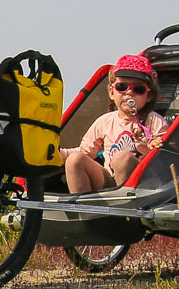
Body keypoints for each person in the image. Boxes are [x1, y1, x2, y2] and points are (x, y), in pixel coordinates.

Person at [66, 54, 168, 193]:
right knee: (74, 160)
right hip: (109, 181)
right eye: (122, 87)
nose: (129, 93)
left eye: (138, 89)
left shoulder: (153, 120)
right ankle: (83, 208)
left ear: (148, 96)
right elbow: (85, 151)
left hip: (141, 184)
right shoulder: (105, 121)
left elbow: (168, 155)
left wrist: (156, 145)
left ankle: (125, 205)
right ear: (111, 92)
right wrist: (56, 153)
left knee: (122, 157)